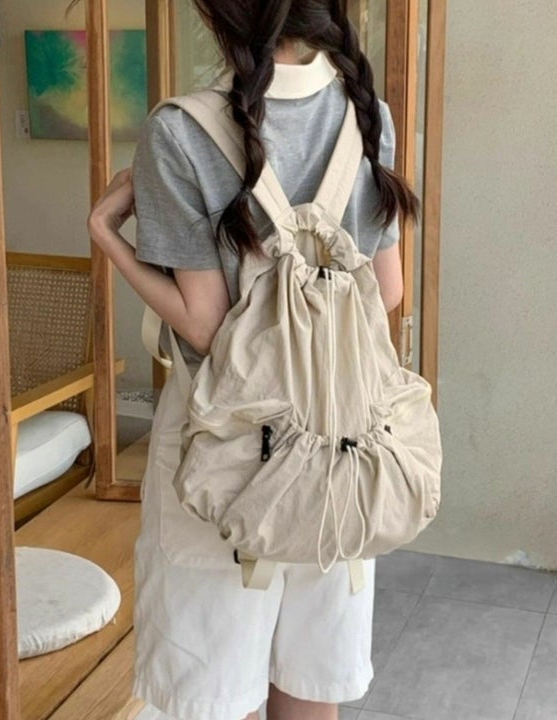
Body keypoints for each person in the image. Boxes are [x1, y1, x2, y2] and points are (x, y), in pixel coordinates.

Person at [86, 2, 419, 719]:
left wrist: (107, 235)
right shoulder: (368, 115)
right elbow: (389, 291)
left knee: (218, 692)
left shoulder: (180, 131)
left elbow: (208, 327)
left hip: (224, 449)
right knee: (309, 685)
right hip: (339, 441)